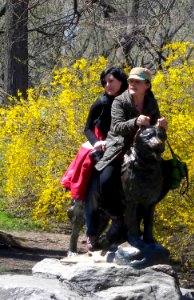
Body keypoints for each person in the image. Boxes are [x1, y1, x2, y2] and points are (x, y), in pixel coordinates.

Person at [95, 67, 167, 244]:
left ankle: (139, 221)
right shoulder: (120, 101)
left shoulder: (151, 102)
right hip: (119, 148)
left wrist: (161, 127)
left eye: (138, 82)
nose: (133, 84)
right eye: (131, 81)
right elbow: (117, 127)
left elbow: (155, 134)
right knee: (106, 181)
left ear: (147, 85)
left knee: (165, 177)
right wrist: (135, 122)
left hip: (142, 151)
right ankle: (118, 217)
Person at [64, 66, 128, 254]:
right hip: (101, 152)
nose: (107, 85)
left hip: (122, 151)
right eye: (105, 81)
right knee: (92, 194)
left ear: (121, 82)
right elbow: (87, 128)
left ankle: (123, 227)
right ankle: (91, 235)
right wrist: (97, 142)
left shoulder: (129, 102)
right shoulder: (100, 103)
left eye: (111, 81)